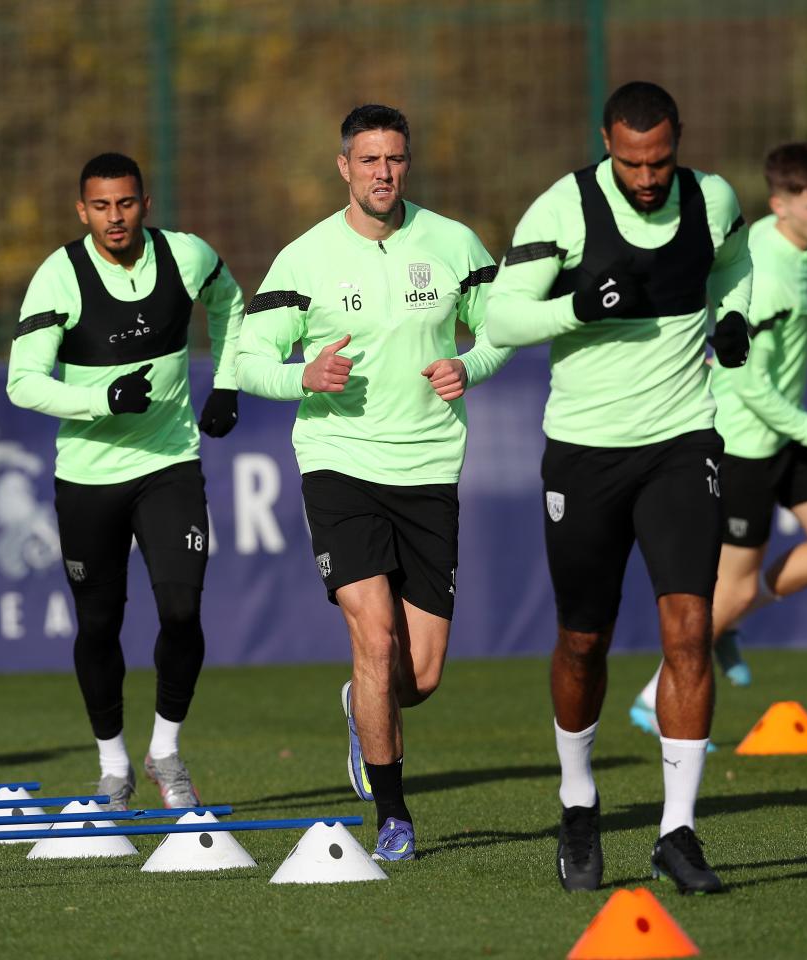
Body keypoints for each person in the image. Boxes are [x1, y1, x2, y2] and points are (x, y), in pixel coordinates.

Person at [487, 81, 752, 894]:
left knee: (689, 630)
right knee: (582, 642)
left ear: (680, 144)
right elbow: (500, 321)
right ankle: (578, 799)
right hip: (585, 454)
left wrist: (734, 316)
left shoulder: (713, 199)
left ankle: (678, 831)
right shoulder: (561, 211)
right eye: (631, 162)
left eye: (660, 161)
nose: (646, 178)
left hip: (681, 442)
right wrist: (581, 304)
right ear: (606, 143)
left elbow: (735, 266)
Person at [236, 104, 513, 861]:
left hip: (428, 468)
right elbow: (246, 358)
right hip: (340, 464)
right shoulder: (303, 258)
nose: (383, 173)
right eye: (368, 160)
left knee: (417, 675)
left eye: (394, 159)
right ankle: (394, 816)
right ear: (344, 168)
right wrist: (304, 375)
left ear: (407, 164)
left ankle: (364, 709)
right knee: (375, 632)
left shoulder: (453, 242)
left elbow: (502, 327)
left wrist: (472, 365)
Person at [6, 152, 244, 811]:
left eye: (127, 203)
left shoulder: (187, 256)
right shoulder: (60, 275)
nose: (116, 217)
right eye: (102, 206)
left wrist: (227, 380)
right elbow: (21, 382)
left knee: (182, 611)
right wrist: (102, 398)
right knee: (98, 624)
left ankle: (165, 751)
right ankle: (113, 766)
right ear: (82, 211)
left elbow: (230, 302)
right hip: (88, 476)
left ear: (145, 202)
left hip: (169, 464)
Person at [630, 142, 807, 730]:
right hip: (743, 444)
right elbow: (748, 380)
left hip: (782, 431)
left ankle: (727, 627)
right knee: (727, 590)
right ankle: (655, 696)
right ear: (781, 206)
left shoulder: (798, 247)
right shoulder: (771, 271)